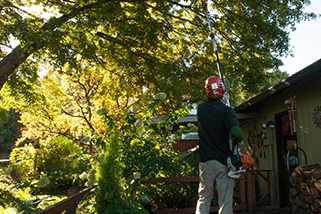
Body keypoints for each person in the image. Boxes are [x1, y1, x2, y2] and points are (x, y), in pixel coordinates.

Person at [195, 76, 243, 214]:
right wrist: (229, 112)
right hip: (222, 162)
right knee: (225, 200)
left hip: (205, 162)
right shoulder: (227, 111)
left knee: (204, 196)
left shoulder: (201, 109)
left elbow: (213, 110)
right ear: (222, 89)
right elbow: (237, 135)